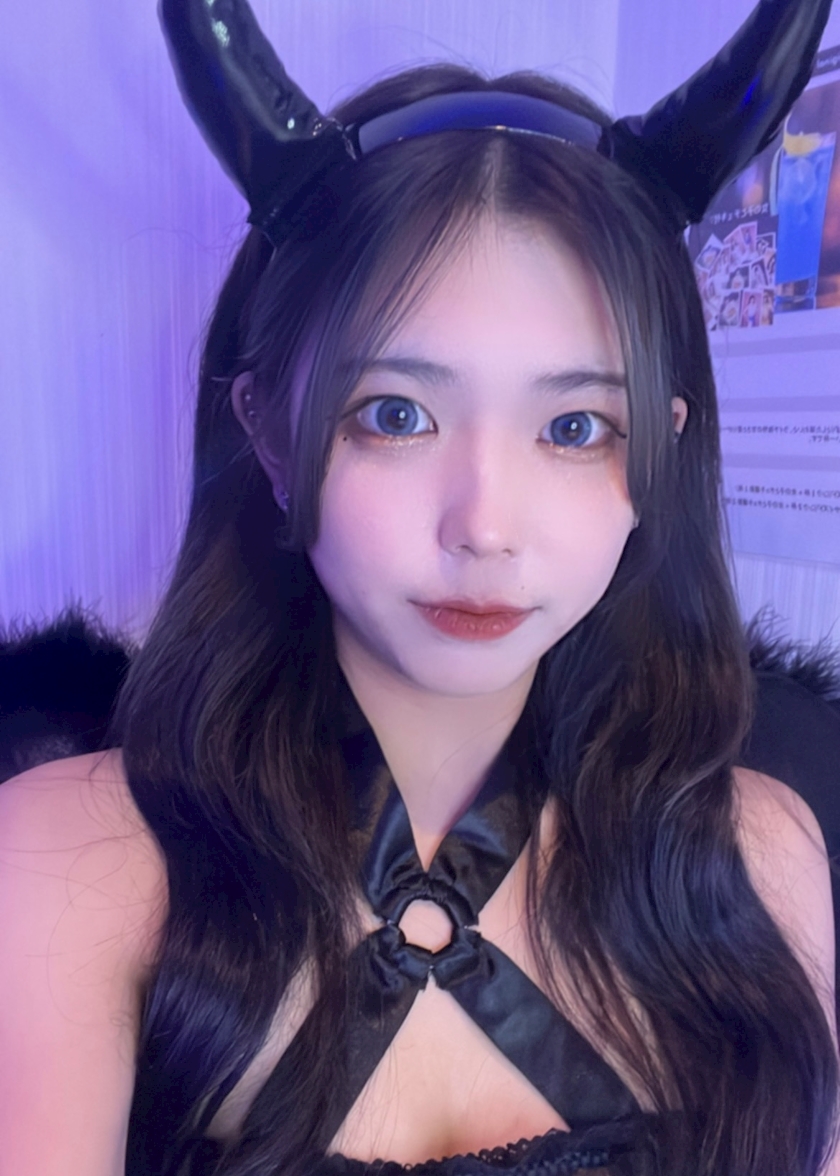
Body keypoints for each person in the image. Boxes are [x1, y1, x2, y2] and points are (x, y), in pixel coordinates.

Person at [1, 1, 838, 1174]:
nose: (485, 526)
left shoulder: (762, 857)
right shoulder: (68, 861)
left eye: (576, 427)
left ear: (661, 453)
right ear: (271, 434)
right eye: (396, 415)